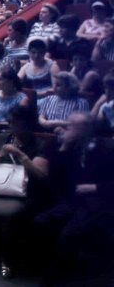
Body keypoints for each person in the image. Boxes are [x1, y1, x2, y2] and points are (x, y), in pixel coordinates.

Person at [33, 112, 114, 283]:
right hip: (74, 201)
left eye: (72, 126)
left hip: (100, 202)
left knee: (68, 235)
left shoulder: (107, 148)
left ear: (87, 129)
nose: (66, 128)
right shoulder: (73, 147)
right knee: (41, 222)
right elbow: (56, 178)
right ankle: (59, 266)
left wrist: (94, 187)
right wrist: (64, 148)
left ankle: (55, 278)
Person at [0, 105, 49, 278]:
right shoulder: (1, 137)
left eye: (14, 122)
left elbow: (41, 175)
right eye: (9, 121)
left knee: (9, 215)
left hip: (27, 191)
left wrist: (20, 155)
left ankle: (7, 259)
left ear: (27, 124)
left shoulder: (40, 144)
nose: (9, 124)